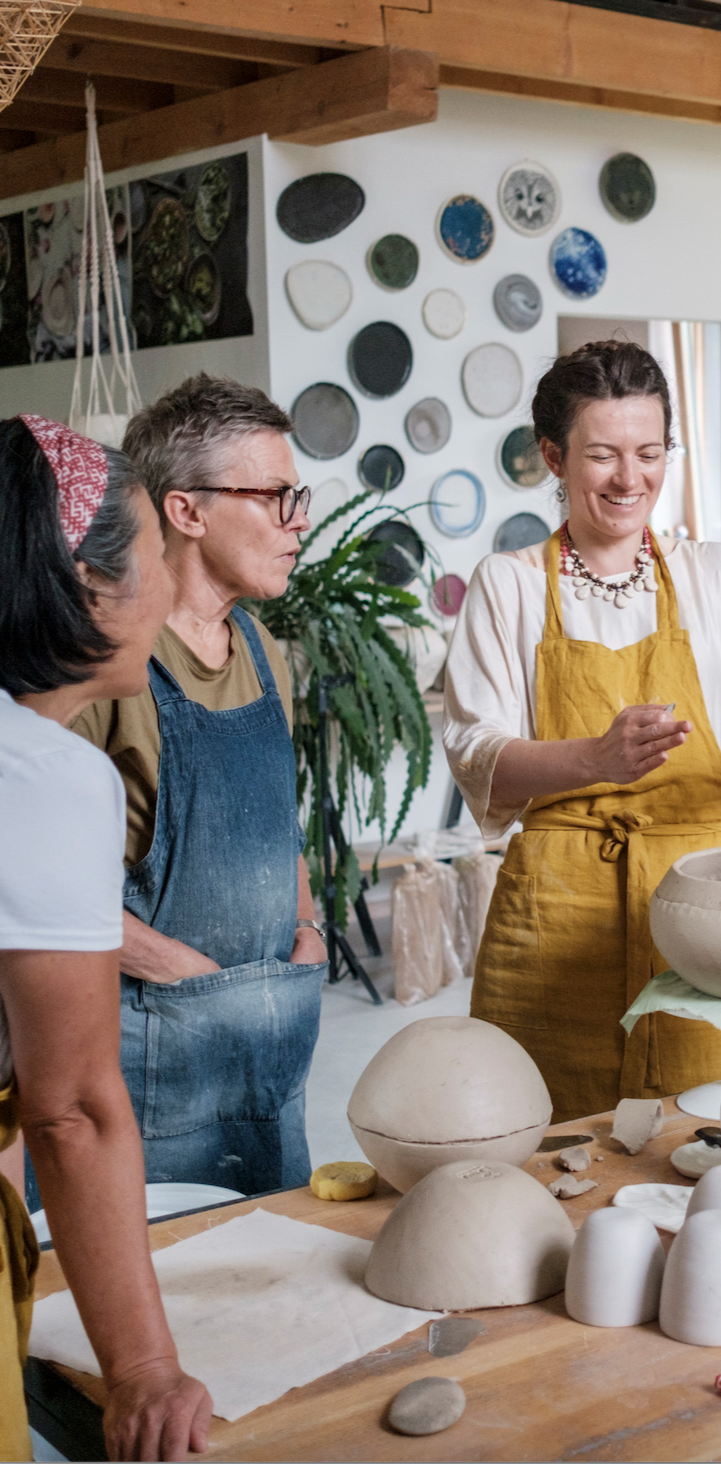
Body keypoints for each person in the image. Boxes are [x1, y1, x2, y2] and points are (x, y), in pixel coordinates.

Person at [444, 341, 721, 1120]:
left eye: (650, 453)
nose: (631, 479)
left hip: (696, 915)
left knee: (688, 1129)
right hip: (554, 911)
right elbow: (475, 756)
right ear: (554, 456)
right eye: (603, 455)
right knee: (541, 1138)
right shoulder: (509, 585)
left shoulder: (718, 576)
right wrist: (593, 758)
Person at [0, 416, 212, 1460]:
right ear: (86, 588)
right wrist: (142, 1371)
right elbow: (71, 1106)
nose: (173, 587)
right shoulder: (41, 774)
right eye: (156, 557)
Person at [70, 375, 326, 1198]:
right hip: (151, 1072)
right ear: (187, 511)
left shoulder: (264, 652)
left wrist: (308, 922)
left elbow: (278, 822)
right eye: (275, 498)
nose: (299, 522)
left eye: (299, 498)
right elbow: (29, 885)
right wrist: (180, 970)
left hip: (264, 1063)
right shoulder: (108, 668)